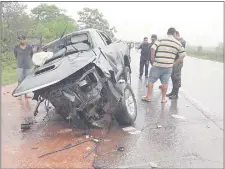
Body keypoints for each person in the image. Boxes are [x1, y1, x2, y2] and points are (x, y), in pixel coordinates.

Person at [142, 27, 186, 103]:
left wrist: (152, 59)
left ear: (167, 32)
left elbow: (152, 48)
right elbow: (183, 54)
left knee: (151, 80)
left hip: (158, 64)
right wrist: (174, 63)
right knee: (165, 82)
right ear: (174, 33)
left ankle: (148, 97)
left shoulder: (161, 39)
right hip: (168, 66)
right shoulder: (177, 42)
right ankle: (163, 99)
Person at [166, 31, 186, 99]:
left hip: (178, 62)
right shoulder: (176, 41)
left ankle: (176, 94)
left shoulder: (182, 41)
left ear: (177, 35)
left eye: (174, 36)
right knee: (173, 77)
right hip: (174, 61)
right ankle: (173, 92)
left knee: (176, 78)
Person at [14, 35, 34, 99]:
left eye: (22, 39)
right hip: (20, 66)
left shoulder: (29, 47)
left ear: (26, 40)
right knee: (20, 80)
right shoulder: (16, 47)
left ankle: (26, 94)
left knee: (26, 80)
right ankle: (19, 94)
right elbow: (15, 55)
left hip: (28, 66)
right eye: (20, 39)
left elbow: (31, 55)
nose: (21, 40)